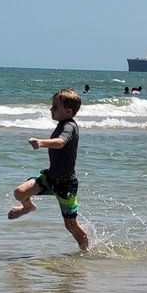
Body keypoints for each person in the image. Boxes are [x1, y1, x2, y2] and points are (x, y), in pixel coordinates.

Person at [8, 89, 89, 251]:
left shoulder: (69, 127)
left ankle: (85, 251)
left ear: (68, 111)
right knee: (19, 192)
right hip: (51, 177)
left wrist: (41, 142)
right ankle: (28, 207)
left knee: (71, 225)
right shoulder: (62, 124)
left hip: (66, 184)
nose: (51, 110)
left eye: (54, 107)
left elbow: (60, 142)